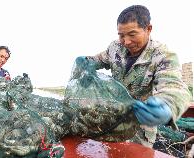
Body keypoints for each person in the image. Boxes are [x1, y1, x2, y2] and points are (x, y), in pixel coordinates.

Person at [75, 5, 191, 148]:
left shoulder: (163, 56)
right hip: (113, 121)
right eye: (121, 35)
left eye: (132, 34)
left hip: (139, 129)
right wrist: (85, 62)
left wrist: (167, 106)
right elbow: (99, 59)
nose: (126, 41)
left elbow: (174, 86)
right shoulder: (115, 47)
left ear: (148, 29)